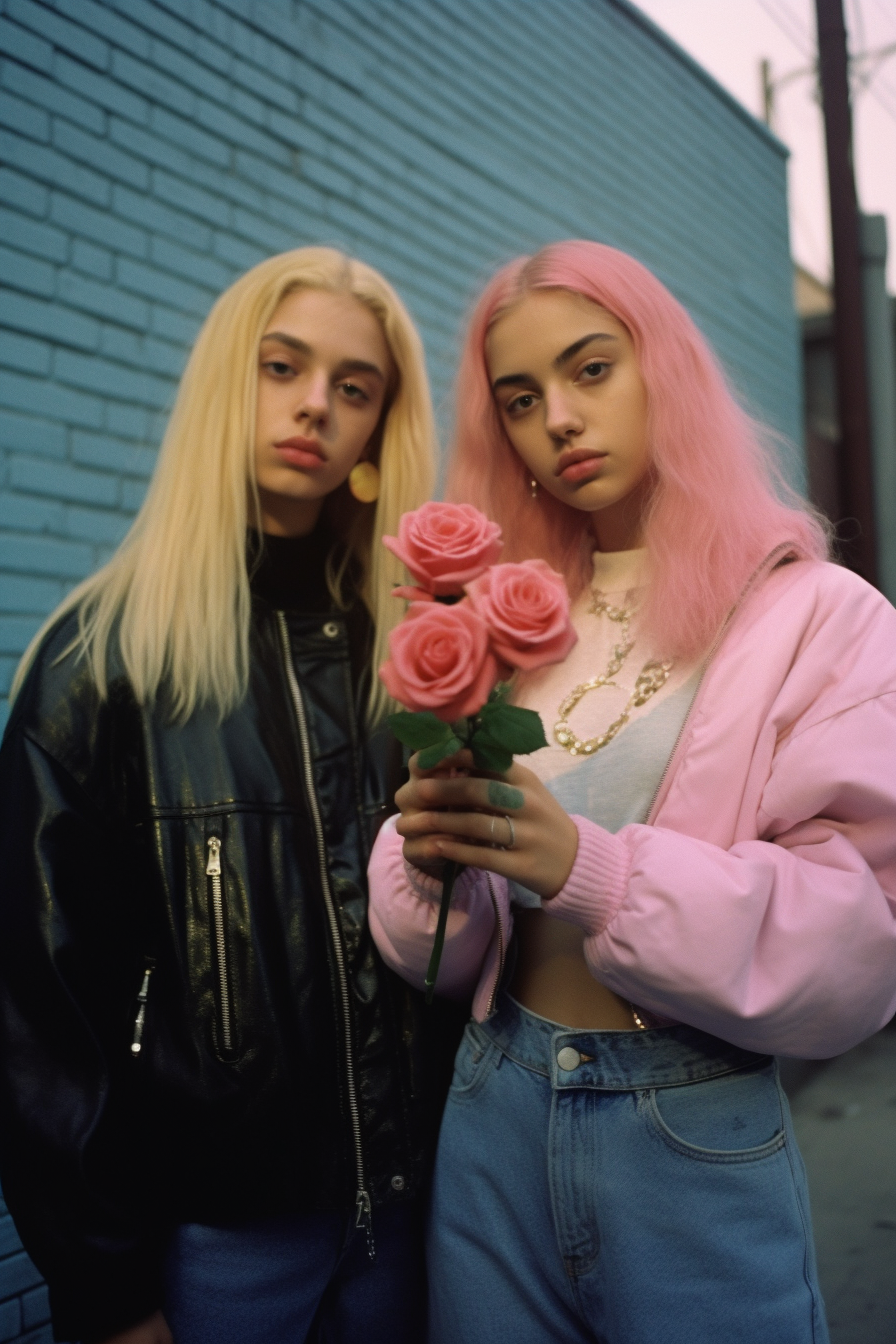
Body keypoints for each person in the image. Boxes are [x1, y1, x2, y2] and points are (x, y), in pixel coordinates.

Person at [367, 240, 896, 1344]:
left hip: (686, 1127)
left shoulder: (816, 618)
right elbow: (443, 956)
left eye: (589, 369)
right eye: (520, 398)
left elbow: (861, 940)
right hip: (489, 1109)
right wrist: (425, 863)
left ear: (664, 368)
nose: (556, 418)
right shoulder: (501, 620)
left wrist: (596, 876)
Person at [0, 247, 460, 1344]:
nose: (316, 405)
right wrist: (106, 1287)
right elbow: (36, 1014)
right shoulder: (104, 659)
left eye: (354, 387)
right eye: (281, 366)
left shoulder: (413, 655)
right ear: (225, 382)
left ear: (377, 426)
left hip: (411, 1218)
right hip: (215, 1238)